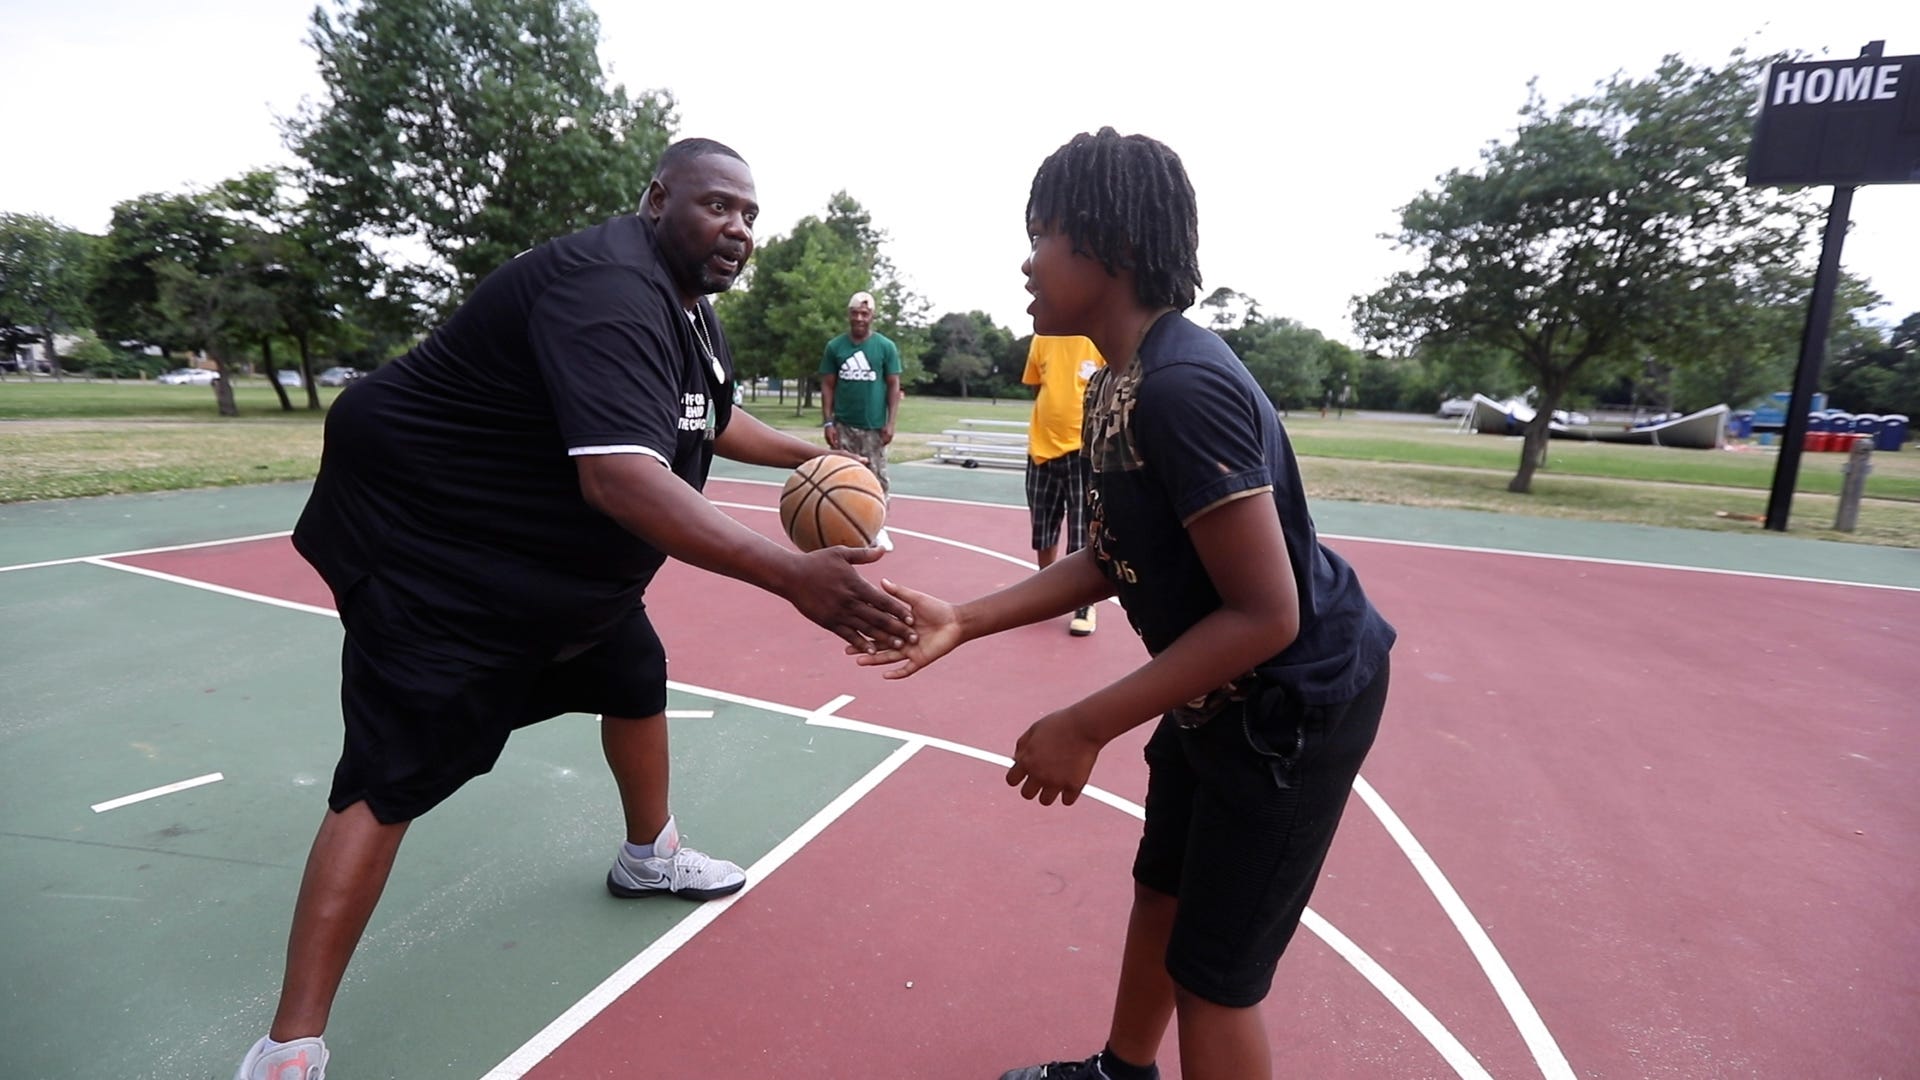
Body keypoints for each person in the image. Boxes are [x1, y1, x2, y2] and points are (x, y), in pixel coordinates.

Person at [231, 138, 915, 1080]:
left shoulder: (689, 311)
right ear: (656, 199)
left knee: (633, 670)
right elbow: (622, 478)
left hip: (540, 556)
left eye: (751, 215)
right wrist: (790, 573)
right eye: (718, 206)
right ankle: (289, 1047)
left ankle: (650, 855)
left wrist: (816, 457)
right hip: (441, 554)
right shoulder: (607, 289)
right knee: (387, 776)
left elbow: (705, 420)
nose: (739, 230)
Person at [855, 128, 1395, 1080]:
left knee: (1216, 978)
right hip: (1214, 689)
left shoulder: (1182, 389)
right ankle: (1123, 1070)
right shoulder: (1118, 383)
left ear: (1112, 247)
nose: (1027, 259)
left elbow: (1268, 615)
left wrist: (1084, 720)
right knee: (1163, 887)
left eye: (1045, 234)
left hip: (1288, 707)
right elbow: (1117, 554)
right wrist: (967, 618)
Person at [1022, 334, 1105, 636]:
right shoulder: (1042, 339)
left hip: (1082, 448)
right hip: (1041, 448)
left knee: (1082, 528)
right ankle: (1047, 592)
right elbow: (1036, 385)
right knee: (1043, 527)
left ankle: (1084, 603)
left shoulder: (1095, 337)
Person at [819, 290, 903, 494]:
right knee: (841, 480)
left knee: (877, 482)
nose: (859, 318)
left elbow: (893, 385)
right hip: (843, 427)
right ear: (849, 314)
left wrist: (890, 423)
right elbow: (828, 385)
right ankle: (842, 524)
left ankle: (877, 524)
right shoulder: (835, 347)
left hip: (874, 429)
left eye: (864, 314)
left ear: (872, 315)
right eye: (855, 313)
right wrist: (828, 422)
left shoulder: (885, 347)